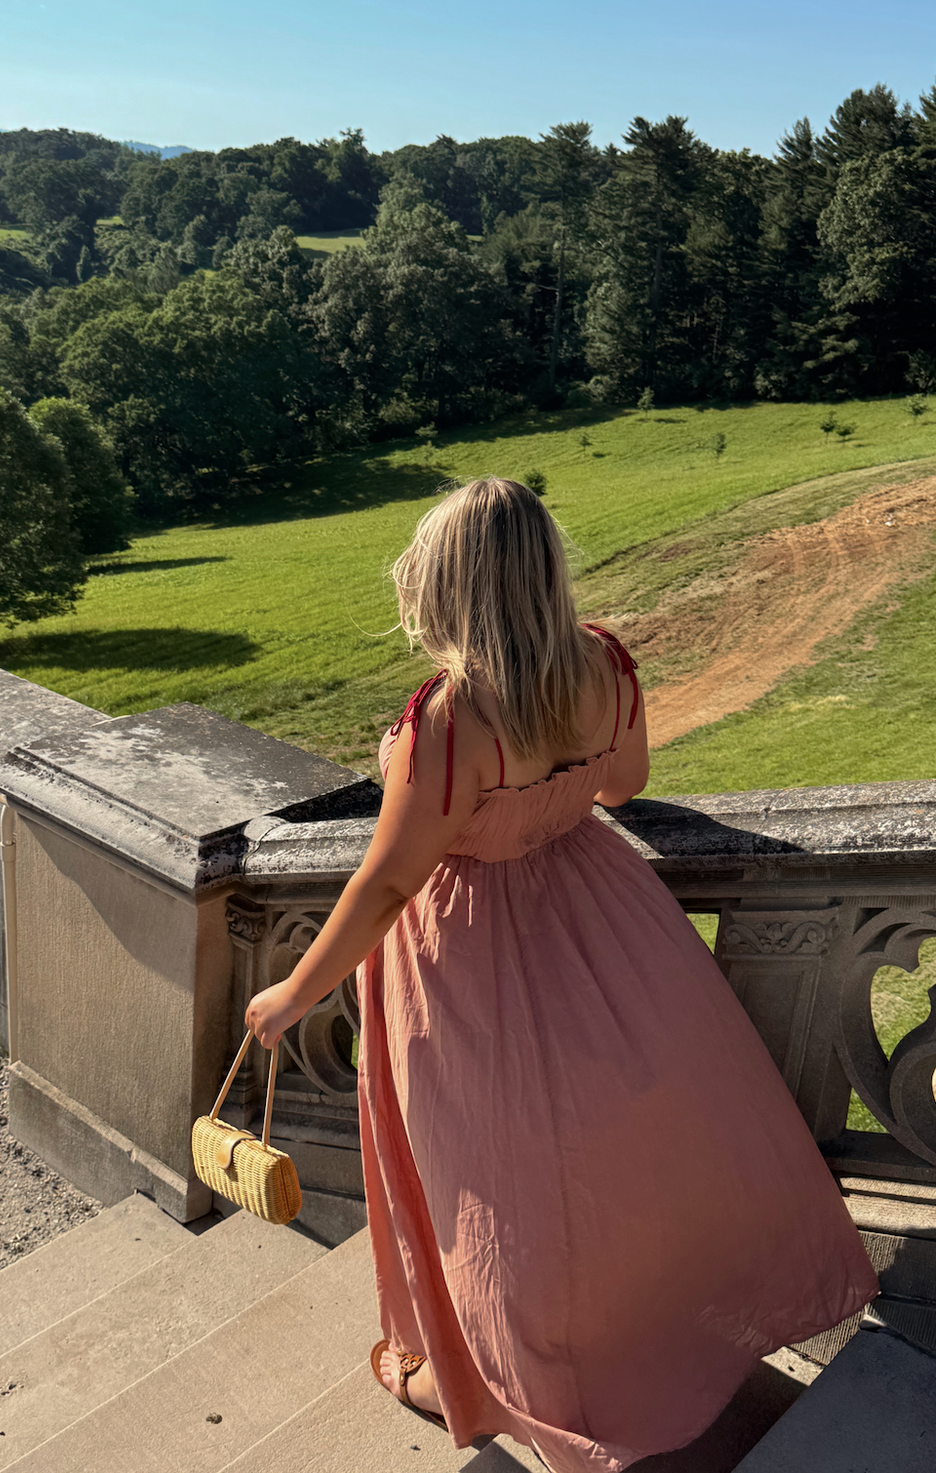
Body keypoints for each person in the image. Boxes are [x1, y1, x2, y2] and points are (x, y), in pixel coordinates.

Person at [246, 477, 878, 1471]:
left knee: (482, 1188)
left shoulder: (445, 719)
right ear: (545, 571)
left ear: (445, 586)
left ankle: (486, 1378)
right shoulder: (604, 667)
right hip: (601, 918)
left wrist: (290, 992)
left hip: (467, 957)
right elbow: (623, 784)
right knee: (625, 1168)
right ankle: (656, 1337)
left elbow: (383, 888)